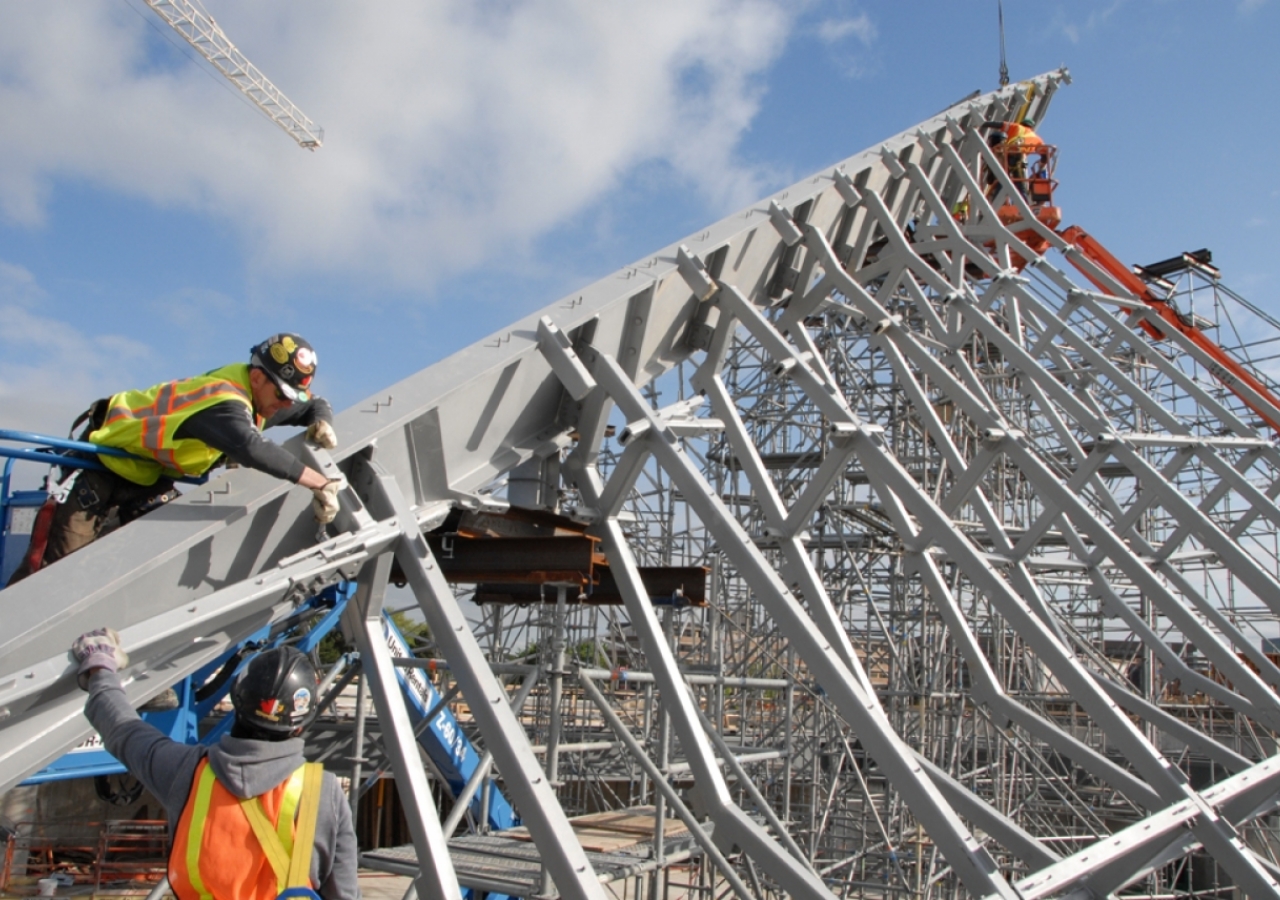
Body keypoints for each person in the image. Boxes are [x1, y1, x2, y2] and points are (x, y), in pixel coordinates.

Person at [7, 334, 343, 585]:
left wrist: (322, 419)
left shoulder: (260, 401)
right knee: (52, 579)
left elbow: (314, 404)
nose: (286, 406)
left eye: (291, 397)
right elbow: (250, 447)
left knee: (160, 562)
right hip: (100, 466)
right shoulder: (224, 401)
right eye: (283, 395)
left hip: (147, 475)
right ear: (257, 378)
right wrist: (320, 483)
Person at [72, 629, 359, 900]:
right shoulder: (325, 793)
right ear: (300, 725)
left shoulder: (186, 771)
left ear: (237, 700)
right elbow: (344, 894)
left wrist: (100, 665)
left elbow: (122, 729)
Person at [980, 118, 1044, 195]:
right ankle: (1022, 202)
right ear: (1032, 128)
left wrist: (983, 123)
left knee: (1002, 180)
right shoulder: (1037, 139)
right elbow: (1045, 155)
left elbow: (998, 124)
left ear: (1021, 123)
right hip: (1019, 158)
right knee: (1020, 186)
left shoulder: (1017, 127)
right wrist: (1041, 165)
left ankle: (998, 198)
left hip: (1007, 154)